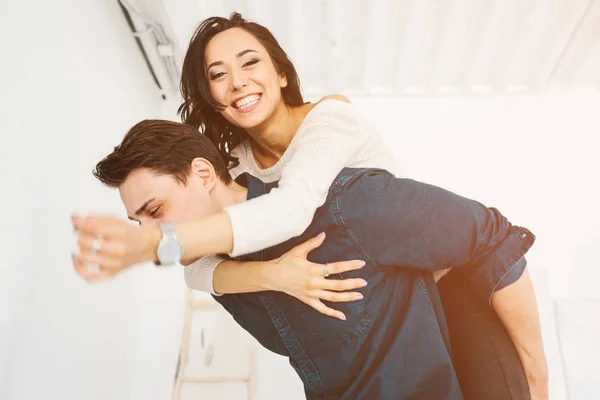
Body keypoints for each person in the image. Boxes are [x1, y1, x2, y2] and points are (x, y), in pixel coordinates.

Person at [72, 13, 548, 398]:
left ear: (280, 73)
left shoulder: (328, 130)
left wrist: (155, 243)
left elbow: (292, 210)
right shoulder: (233, 170)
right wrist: (269, 274)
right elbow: (200, 268)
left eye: (249, 63)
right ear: (212, 99)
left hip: (445, 286)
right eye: (218, 75)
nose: (237, 82)